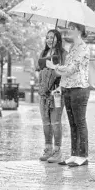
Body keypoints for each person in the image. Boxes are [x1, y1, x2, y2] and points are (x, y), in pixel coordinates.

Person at [47, 22, 90, 167]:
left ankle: (83, 156)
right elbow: (63, 72)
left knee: (80, 123)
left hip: (79, 89)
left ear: (79, 31)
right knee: (72, 124)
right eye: (69, 28)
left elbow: (71, 69)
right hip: (67, 88)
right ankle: (74, 154)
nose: (69, 31)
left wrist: (56, 67)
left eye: (72, 29)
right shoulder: (72, 48)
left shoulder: (83, 48)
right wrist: (59, 79)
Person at [37, 29, 67, 163]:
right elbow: (40, 70)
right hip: (44, 93)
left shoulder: (63, 54)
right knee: (46, 123)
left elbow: (66, 72)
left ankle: (57, 151)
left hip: (57, 93)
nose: (49, 40)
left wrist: (54, 67)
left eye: (52, 37)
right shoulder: (44, 53)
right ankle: (48, 149)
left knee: (55, 122)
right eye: (47, 37)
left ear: (58, 39)